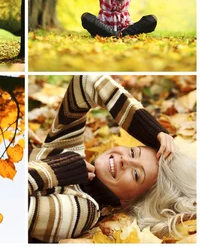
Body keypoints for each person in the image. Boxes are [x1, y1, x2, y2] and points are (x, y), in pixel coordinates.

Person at [28, 74, 196, 242]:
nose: (125, 160)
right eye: (133, 152)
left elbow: (8, 205)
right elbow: (86, 80)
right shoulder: (69, 153)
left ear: (128, 202)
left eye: (136, 174)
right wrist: (152, 131)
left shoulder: (83, 211)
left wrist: (53, 171)